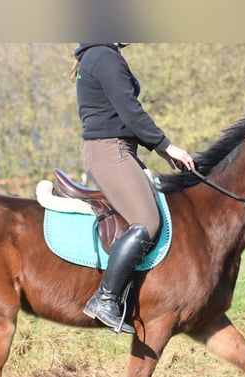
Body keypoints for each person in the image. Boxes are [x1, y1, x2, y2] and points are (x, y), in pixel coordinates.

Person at [71, 43, 195, 334]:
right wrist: (166, 145)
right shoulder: (104, 56)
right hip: (110, 151)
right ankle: (105, 299)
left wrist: (159, 148)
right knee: (148, 222)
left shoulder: (100, 54)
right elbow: (129, 109)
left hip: (117, 148)